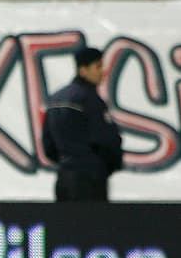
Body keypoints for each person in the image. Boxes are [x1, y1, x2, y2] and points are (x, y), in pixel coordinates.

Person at [42, 46, 122, 202]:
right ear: (83, 70)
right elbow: (106, 138)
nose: (102, 72)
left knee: (67, 225)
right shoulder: (90, 100)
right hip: (89, 179)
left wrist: (65, 162)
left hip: (64, 178)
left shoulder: (55, 99)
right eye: (98, 66)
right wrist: (108, 164)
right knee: (92, 225)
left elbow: (48, 144)